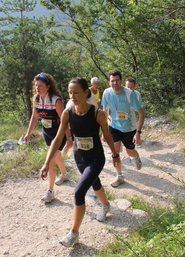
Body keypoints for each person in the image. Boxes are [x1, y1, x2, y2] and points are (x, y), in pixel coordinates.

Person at [40, 77, 119, 247]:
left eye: (76, 92)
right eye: (70, 92)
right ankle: (106, 206)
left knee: (79, 192)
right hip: (80, 157)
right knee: (94, 182)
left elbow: (107, 135)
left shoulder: (97, 113)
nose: (72, 96)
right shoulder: (68, 113)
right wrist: (47, 163)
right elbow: (57, 138)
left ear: (86, 92)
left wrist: (115, 154)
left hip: (96, 158)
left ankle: (74, 233)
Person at [23, 72, 72, 203]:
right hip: (47, 133)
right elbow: (34, 117)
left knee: (50, 161)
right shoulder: (36, 99)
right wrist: (28, 133)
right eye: (36, 85)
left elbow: (64, 120)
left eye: (40, 86)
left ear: (48, 86)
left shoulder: (56, 100)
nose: (37, 88)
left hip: (58, 134)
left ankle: (50, 191)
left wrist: (68, 138)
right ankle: (64, 174)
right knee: (56, 156)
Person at [101, 70, 145, 187]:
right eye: (112, 81)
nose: (115, 83)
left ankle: (135, 156)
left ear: (121, 81)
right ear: (109, 82)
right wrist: (104, 131)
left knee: (129, 151)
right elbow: (105, 112)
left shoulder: (130, 94)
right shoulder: (106, 93)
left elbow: (141, 113)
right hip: (114, 126)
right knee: (115, 152)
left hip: (129, 128)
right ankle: (119, 175)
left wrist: (138, 132)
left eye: (117, 80)